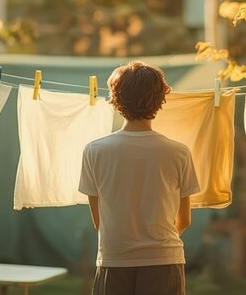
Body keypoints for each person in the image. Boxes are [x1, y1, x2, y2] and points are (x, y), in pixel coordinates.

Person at [79, 61, 200, 295]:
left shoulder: (94, 150)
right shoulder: (179, 152)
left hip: (113, 260)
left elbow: (99, 222)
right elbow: (184, 220)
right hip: (165, 260)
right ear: (160, 99)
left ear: (116, 99)